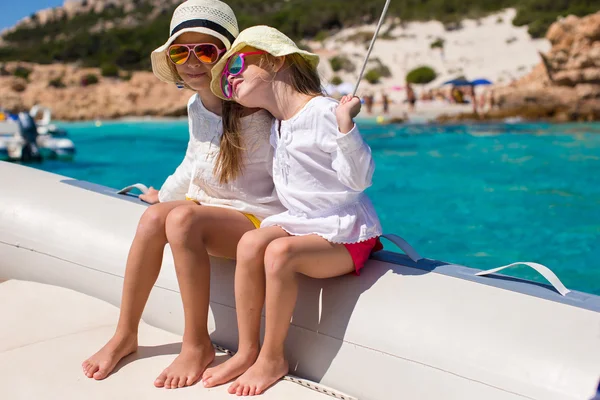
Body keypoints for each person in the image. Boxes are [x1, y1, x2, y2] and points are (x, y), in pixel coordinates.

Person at [81, 1, 284, 389]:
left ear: (227, 56)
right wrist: (166, 194)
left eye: (206, 50)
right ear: (172, 61)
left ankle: (196, 343)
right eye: (180, 51)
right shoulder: (197, 105)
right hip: (213, 213)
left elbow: (294, 163)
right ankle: (126, 333)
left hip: (256, 219)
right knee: (155, 217)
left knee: (181, 218)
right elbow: (195, 160)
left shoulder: (256, 104)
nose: (193, 61)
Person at [200, 26, 383, 396]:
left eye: (236, 65)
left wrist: (346, 127)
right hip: (303, 225)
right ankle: (248, 349)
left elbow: (360, 180)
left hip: (345, 232)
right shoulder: (278, 124)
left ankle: (272, 357)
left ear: (275, 59)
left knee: (279, 253)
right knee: (252, 244)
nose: (229, 79)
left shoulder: (324, 111)